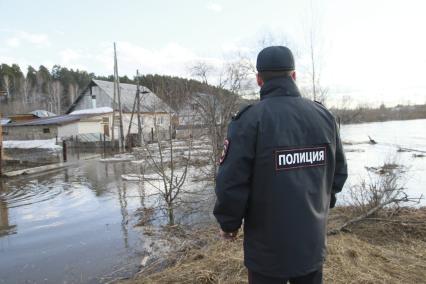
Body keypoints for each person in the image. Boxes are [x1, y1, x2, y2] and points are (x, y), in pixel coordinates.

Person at [213, 46, 348, 284]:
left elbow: (231, 182)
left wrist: (229, 225)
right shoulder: (324, 117)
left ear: (259, 79)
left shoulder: (248, 121)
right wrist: (322, 205)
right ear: (294, 76)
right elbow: (338, 174)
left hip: (267, 252)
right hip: (311, 244)